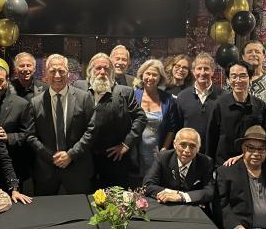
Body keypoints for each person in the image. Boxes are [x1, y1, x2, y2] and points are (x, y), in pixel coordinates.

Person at [74, 52, 146, 189]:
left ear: (111, 72)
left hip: (115, 158)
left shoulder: (124, 92)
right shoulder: (78, 87)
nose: (102, 72)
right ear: (90, 71)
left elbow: (141, 117)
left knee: (115, 201)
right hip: (84, 156)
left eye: (106, 69)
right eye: (98, 68)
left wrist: (126, 144)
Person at [28, 54, 96, 195]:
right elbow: (30, 136)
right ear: (46, 74)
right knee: (46, 214)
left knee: (81, 211)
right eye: (53, 71)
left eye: (61, 71)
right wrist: (51, 156)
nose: (57, 75)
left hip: (77, 169)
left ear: (68, 73)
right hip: (47, 170)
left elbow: (92, 130)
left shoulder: (84, 97)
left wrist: (71, 154)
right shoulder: (35, 102)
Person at [0, 58, 35, 200]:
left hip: (14, 167)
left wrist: (8, 137)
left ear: (7, 81)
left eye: (1, 80)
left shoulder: (22, 104)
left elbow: (29, 135)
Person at [206, 60, 266, 166]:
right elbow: (211, 138)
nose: (238, 80)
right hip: (224, 164)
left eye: (243, 76)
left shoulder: (260, 106)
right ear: (228, 80)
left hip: (252, 164)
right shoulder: (219, 105)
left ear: (250, 79)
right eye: (234, 76)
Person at [143, 128, 215, 205]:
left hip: (191, 208)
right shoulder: (163, 157)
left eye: (192, 146)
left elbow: (209, 191)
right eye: (183, 145)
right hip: (165, 204)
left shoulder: (206, 162)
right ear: (175, 144)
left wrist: (182, 196)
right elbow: (148, 185)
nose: (187, 150)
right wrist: (173, 193)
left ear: (198, 148)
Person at [133, 59, 177, 174]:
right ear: (142, 74)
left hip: (157, 151)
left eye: (154, 75)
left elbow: (172, 129)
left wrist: (164, 149)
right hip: (135, 151)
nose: (150, 78)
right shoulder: (133, 95)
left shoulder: (167, 99)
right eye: (148, 73)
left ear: (160, 78)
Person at [175, 53, 224, 144]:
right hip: (189, 152)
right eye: (199, 68)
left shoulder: (223, 96)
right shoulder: (182, 97)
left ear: (212, 71)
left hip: (214, 151)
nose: (202, 73)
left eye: (206, 69)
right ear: (193, 71)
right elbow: (177, 127)